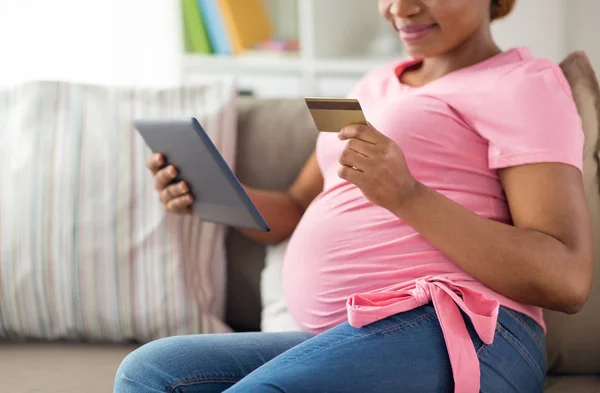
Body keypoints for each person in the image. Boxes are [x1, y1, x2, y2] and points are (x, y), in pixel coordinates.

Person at [114, 0, 594, 392]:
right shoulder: (374, 84)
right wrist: (212, 191)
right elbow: (296, 208)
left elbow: (567, 278)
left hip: (468, 332)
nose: (398, 8)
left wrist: (407, 197)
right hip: (345, 337)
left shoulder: (524, 84)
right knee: (151, 373)